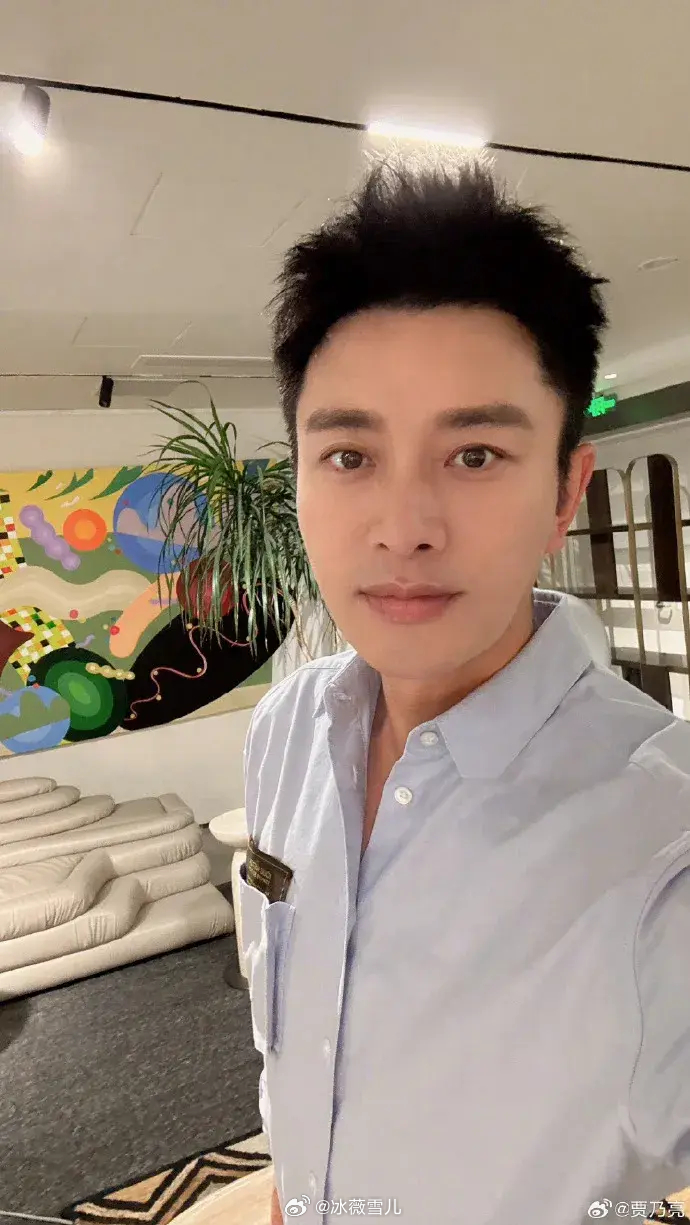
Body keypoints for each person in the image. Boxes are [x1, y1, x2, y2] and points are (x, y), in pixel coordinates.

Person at [240, 155, 690, 1225]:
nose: (405, 527)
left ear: (566, 491)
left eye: (476, 454)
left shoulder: (660, 832)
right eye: (349, 456)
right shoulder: (285, 730)